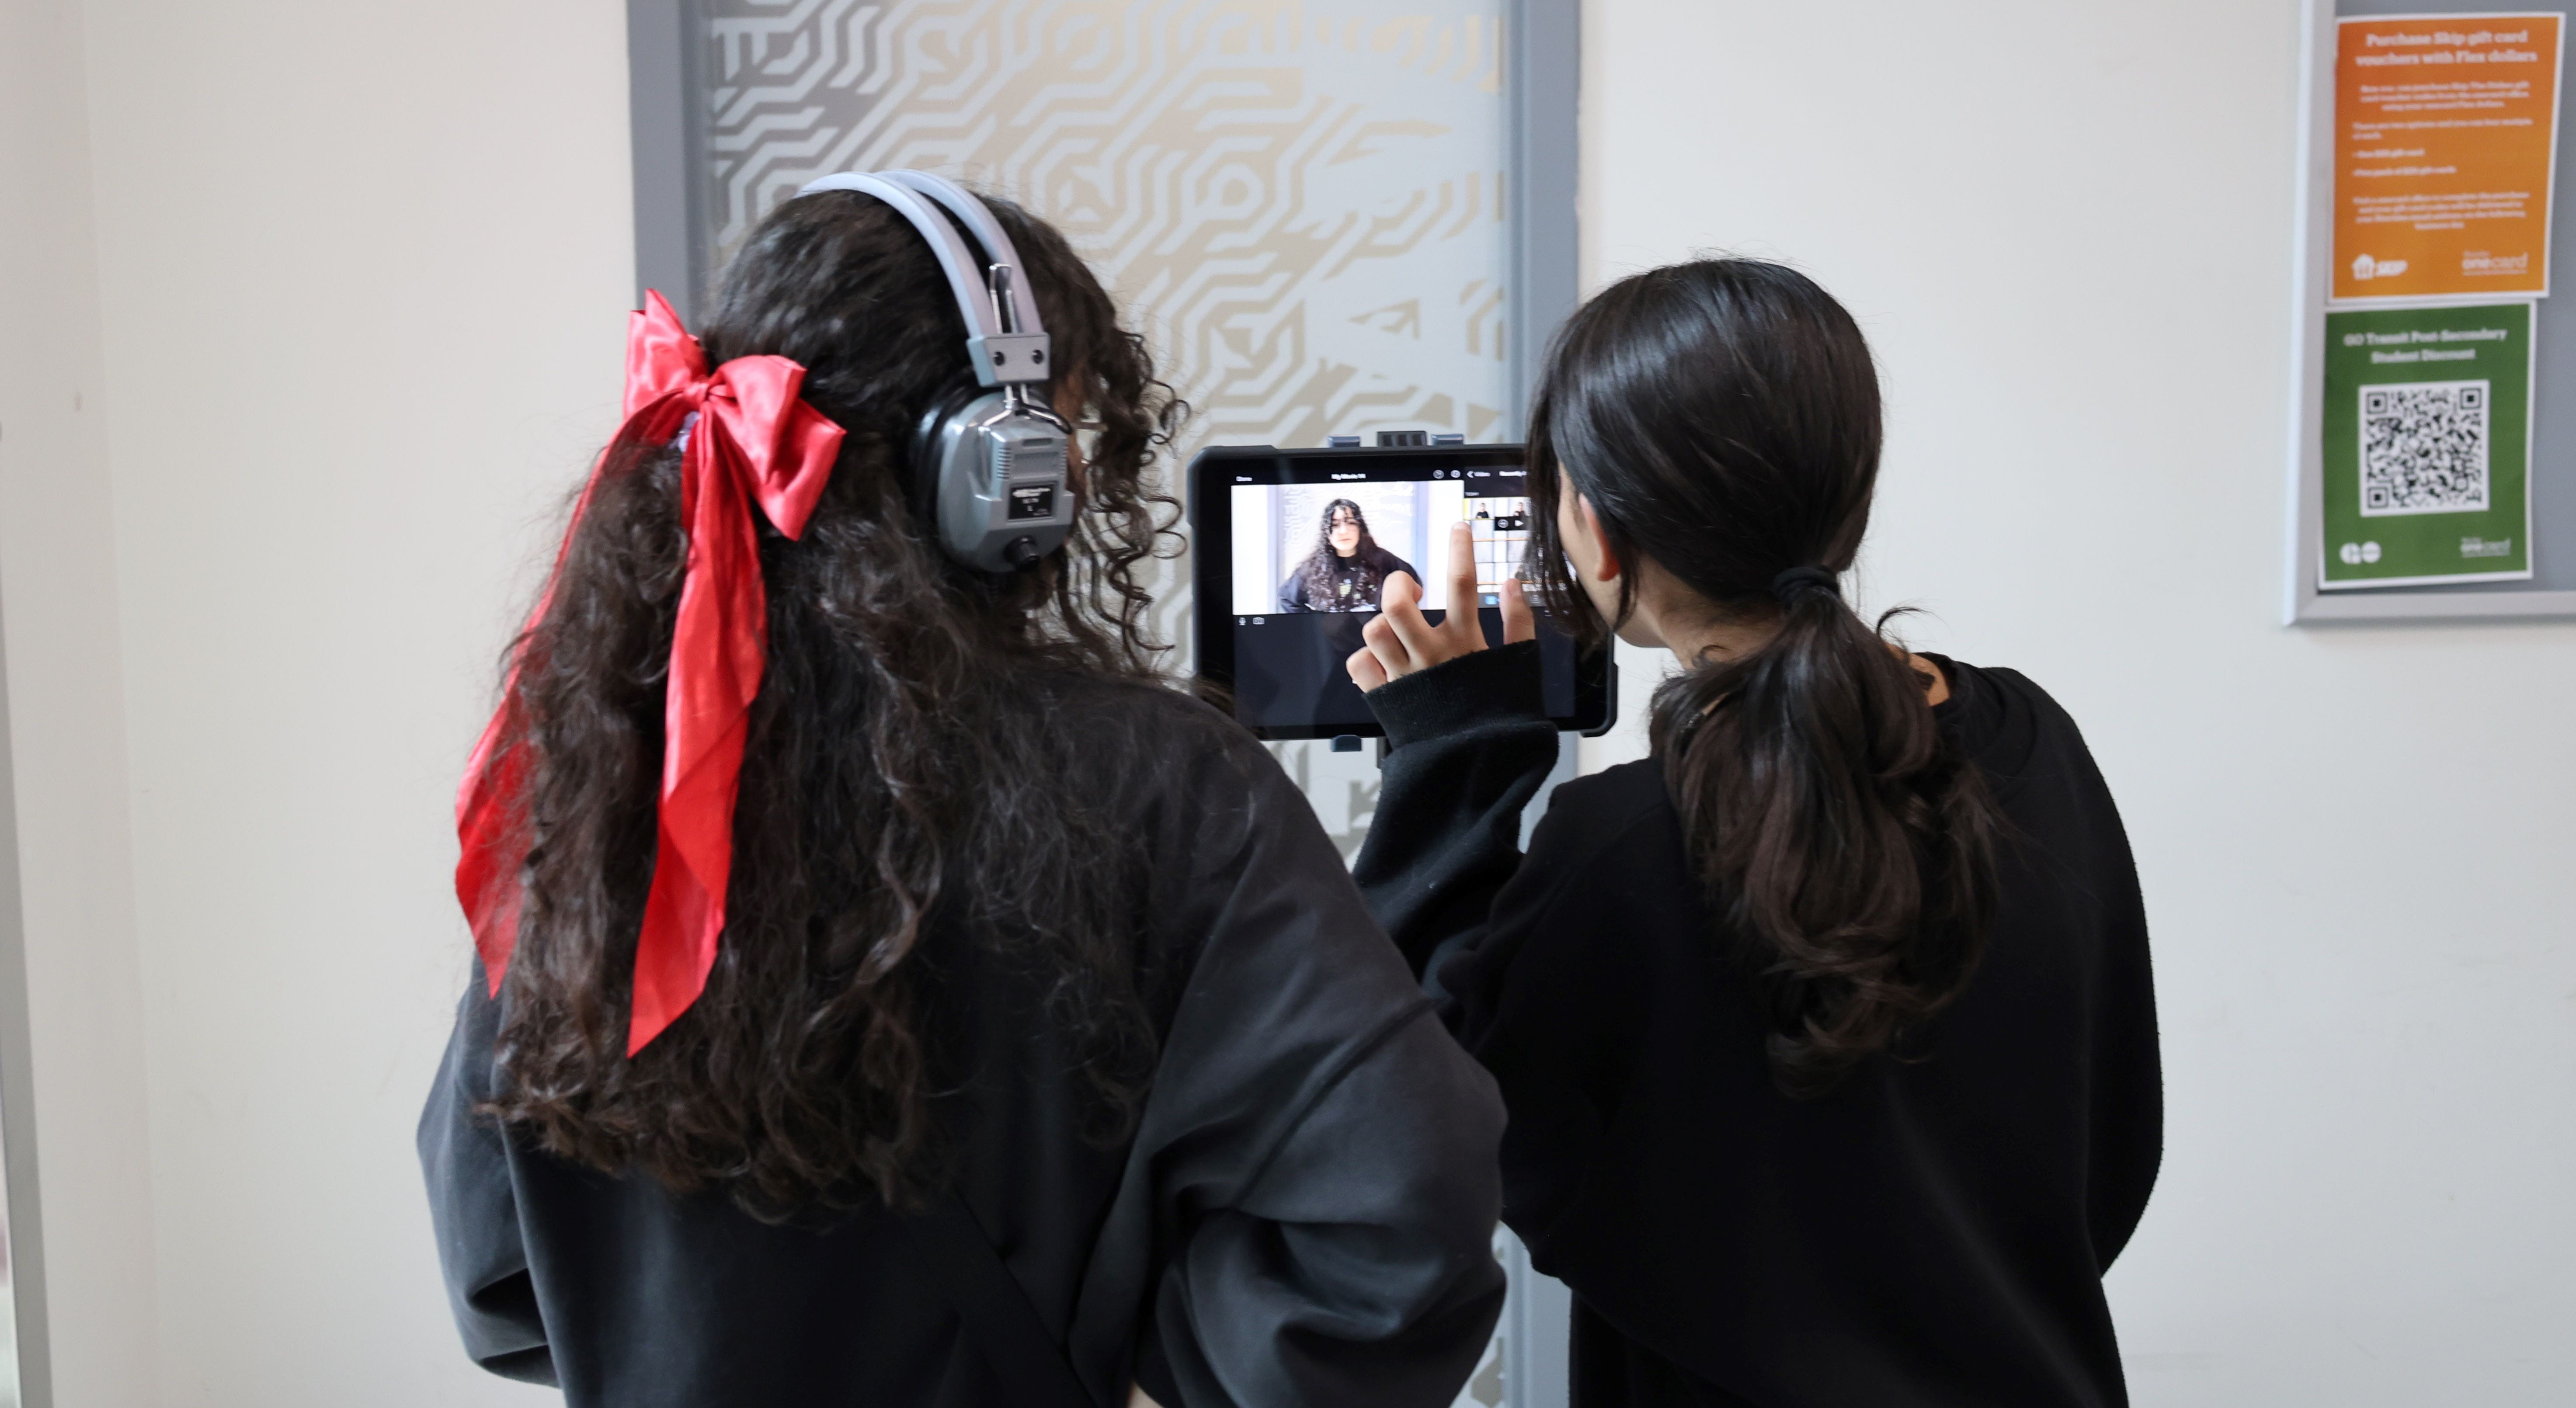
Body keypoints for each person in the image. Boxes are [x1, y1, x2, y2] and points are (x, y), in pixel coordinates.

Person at [417, 179, 1507, 1408]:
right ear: (993, 475)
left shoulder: (594, 788)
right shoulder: (1166, 785)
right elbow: (1402, 1205)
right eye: (1066, 435)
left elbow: (498, 1269)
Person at [1343, 258, 2161, 1407]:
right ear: (1847, 494)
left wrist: (1452, 751)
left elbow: (1407, 1135)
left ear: (1593, 526)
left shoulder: (1621, 847)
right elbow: (2112, 1143)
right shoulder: (2034, 741)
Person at [1278, 497, 1418, 612]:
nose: (1344, 531)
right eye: (1335, 525)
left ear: (1360, 527)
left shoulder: (1382, 559)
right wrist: (1314, 623)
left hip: (1375, 641)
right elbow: (1286, 598)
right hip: (1330, 644)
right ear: (1327, 532)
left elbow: (1412, 582)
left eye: (1351, 523)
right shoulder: (1313, 567)